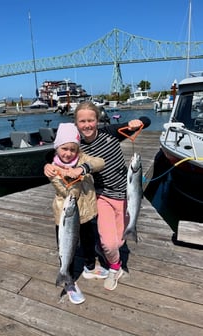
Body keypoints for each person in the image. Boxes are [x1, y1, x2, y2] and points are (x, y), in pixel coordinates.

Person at [45, 102, 151, 291]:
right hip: (101, 196)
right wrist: (47, 165)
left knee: (119, 241)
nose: (87, 125)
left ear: (97, 120)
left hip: (126, 193)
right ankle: (115, 267)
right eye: (82, 121)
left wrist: (138, 121)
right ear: (76, 123)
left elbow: (147, 121)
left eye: (91, 120)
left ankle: (103, 249)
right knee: (110, 244)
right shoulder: (77, 146)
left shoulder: (110, 131)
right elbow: (54, 154)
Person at [48, 122, 107, 304]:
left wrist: (82, 169)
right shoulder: (52, 169)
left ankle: (89, 267)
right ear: (57, 148)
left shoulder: (82, 159)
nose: (68, 153)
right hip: (66, 217)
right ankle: (68, 279)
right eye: (64, 149)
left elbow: (100, 162)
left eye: (73, 149)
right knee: (67, 249)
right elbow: (68, 193)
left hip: (87, 213)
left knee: (89, 242)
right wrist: (66, 175)